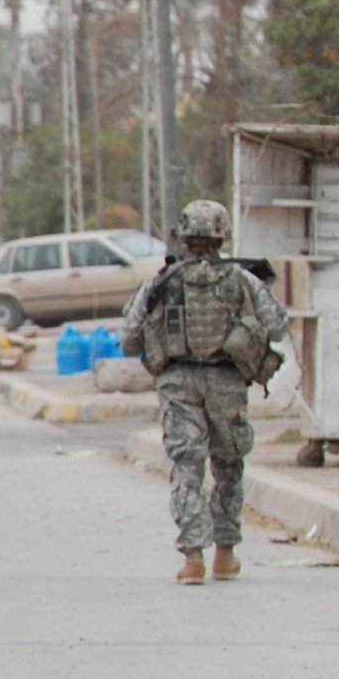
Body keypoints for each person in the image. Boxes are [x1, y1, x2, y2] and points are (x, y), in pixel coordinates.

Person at [121, 199, 290, 584]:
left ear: (182, 236)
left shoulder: (160, 282)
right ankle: (225, 554)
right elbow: (278, 325)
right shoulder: (242, 280)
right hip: (227, 382)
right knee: (228, 465)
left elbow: (129, 338)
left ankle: (192, 558)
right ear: (220, 235)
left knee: (187, 468)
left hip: (177, 383)